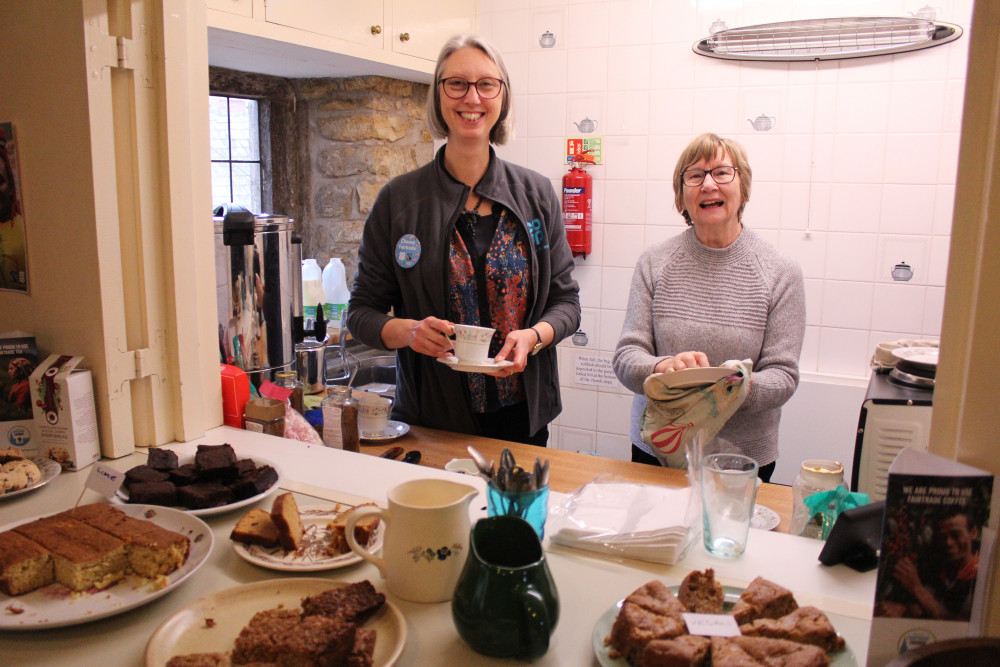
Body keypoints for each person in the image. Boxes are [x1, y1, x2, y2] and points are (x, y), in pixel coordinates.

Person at [345, 34, 581, 447]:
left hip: (522, 417)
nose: (472, 97)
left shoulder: (537, 194)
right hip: (432, 418)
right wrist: (410, 331)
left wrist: (533, 336)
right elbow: (361, 315)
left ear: (502, 97)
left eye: (486, 84)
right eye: (457, 83)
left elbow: (567, 305)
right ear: (438, 94)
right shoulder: (399, 201)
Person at [612, 133, 805, 481]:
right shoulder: (654, 263)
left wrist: (727, 387)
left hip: (742, 459)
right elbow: (627, 357)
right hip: (657, 448)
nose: (709, 184)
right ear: (681, 198)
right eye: (695, 176)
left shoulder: (780, 272)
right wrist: (665, 368)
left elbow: (784, 376)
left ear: (742, 189)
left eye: (722, 173)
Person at [883, 509, 981, 621]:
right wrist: (903, 609)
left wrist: (916, 588)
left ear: (973, 533)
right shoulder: (937, 567)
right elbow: (925, 608)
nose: (948, 542)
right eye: (942, 536)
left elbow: (961, 623)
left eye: (956, 534)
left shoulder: (984, 575)